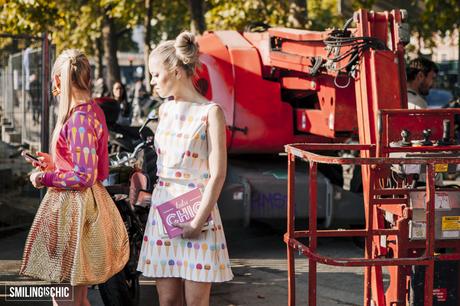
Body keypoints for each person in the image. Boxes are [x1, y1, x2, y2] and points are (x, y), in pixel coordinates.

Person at [20, 49, 129, 306]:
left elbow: (84, 175)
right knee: (75, 297)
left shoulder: (78, 118)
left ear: (58, 81)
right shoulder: (92, 111)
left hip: (74, 209)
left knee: (65, 298)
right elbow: (90, 166)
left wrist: (44, 179)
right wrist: (54, 162)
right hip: (85, 206)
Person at [137, 31, 233, 306]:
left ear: (176, 71)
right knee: (166, 301)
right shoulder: (164, 110)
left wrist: (197, 222)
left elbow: (218, 173)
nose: (152, 82)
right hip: (164, 212)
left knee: (196, 302)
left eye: (155, 74)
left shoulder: (211, 112)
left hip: (197, 215)